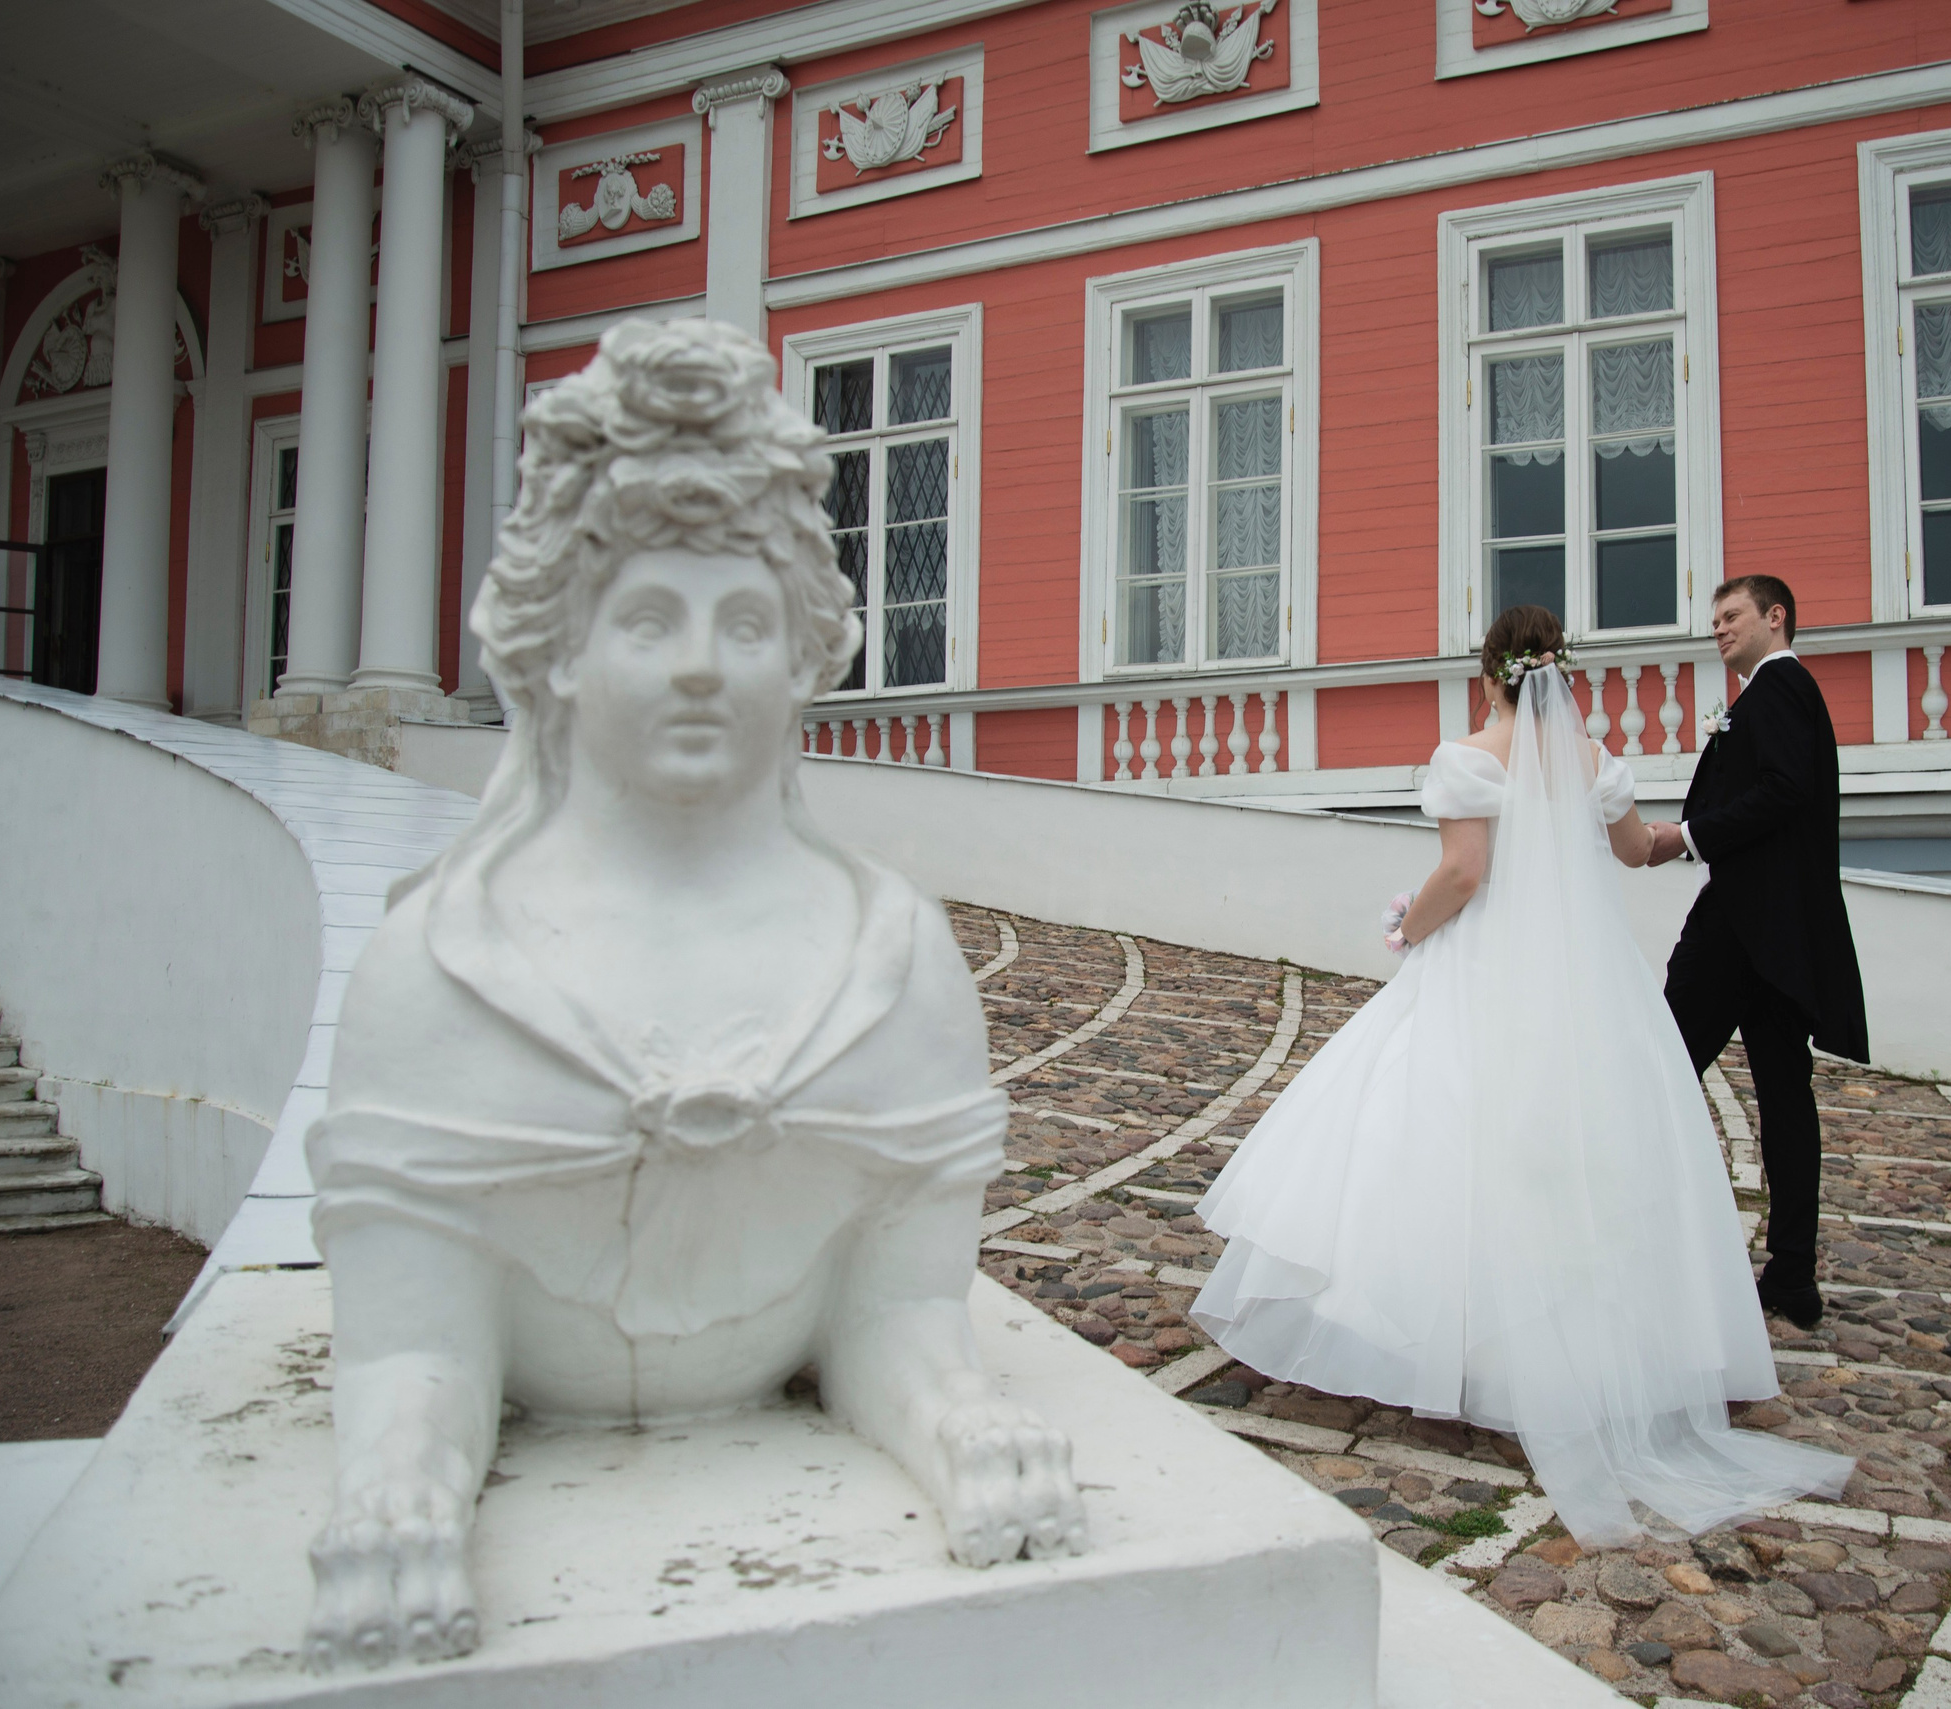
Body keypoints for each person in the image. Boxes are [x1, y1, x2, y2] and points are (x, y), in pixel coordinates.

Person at [302, 321, 1082, 1671]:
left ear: (805, 658)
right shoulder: (433, 969)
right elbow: (408, 1338)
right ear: (558, 650)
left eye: (746, 622)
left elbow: (892, 1311)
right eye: (649, 618)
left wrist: (956, 1414)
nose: (705, 663)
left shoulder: (894, 964)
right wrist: (405, 1474)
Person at [1193, 605, 1851, 1546]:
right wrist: (1679, 837)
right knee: (1577, 1149)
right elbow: (1632, 851)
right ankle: (1587, 1349)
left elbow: (1463, 873)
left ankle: (1460, 1353)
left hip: (1485, 967)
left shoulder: (1469, 756)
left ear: (1493, 672)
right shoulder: (1592, 761)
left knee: (1448, 1132)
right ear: (1559, 672)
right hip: (1588, 983)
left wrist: (1404, 926)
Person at [1645, 576, 1869, 1331]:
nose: (1719, 629)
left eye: (1732, 615)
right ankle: (1793, 1274)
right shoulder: (1785, 693)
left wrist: (1688, 835)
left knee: (1657, 1074)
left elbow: (1782, 791)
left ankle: (1643, 1245)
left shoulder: (1777, 689)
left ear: (1776, 618)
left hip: (1743, 928)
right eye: (1713, 620)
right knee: (1783, 1098)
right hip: (1782, 934)